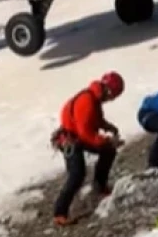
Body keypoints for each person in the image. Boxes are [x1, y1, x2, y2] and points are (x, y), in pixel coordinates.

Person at [51, 71, 126, 227]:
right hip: (70, 141)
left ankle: (100, 185)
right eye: (113, 96)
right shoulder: (87, 101)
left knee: (108, 151)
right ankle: (60, 212)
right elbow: (86, 134)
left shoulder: (94, 98)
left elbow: (95, 120)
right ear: (109, 90)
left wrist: (108, 128)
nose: (111, 99)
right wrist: (107, 141)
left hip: (77, 137)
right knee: (77, 174)